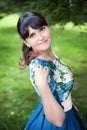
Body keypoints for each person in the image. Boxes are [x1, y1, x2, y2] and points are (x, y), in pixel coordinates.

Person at [17, 12, 85, 130]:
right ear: (26, 42)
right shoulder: (38, 68)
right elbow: (58, 122)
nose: (41, 37)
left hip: (68, 112)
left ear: (48, 27)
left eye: (42, 29)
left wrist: (67, 99)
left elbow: (58, 83)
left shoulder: (47, 53)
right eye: (32, 35)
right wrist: (42, 85)